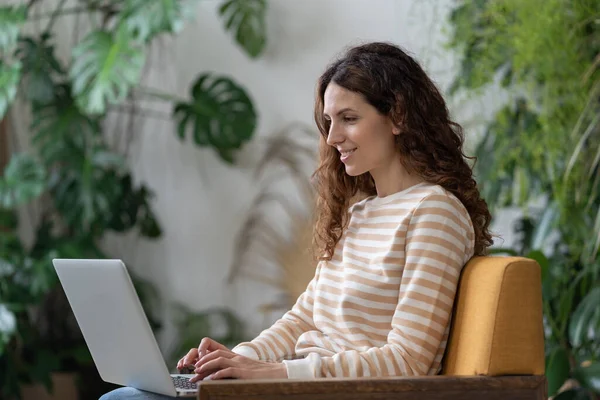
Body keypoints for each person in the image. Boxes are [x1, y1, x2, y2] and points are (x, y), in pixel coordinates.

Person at [100, 41, 492, 399]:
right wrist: (236, 360)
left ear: (399, 116)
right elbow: (305, 316)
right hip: (301, 385)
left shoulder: (434, 212)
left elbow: (407, 362)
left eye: (349, 118)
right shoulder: (361, 212)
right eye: (329, 121)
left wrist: (274, 372)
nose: (333, 136)